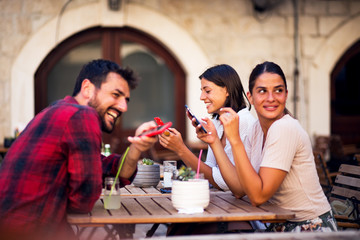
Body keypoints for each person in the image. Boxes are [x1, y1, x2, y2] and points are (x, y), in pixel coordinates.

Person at [0, 59, 158, 239]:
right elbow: (82, 202)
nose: (124, 107)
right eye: (116, 94)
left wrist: (136, 146)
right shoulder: (82, 115)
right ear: (87, 89)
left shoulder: (57, 110)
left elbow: (109, 170)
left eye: (126, 99)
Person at [198, 61, 338, 232]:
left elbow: (258, 197)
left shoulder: (284, 128)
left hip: (309, 228)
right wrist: (213, 142)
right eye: (262, 91)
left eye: (278, 91)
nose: (271, 98)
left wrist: (235, 140)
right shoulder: (257, 129)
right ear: (250, 97)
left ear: (286, 95)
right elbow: (238, 189)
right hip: (281, 226)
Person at [159, 64, 259, 234]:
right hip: (223, 206)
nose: (201, 97)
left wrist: (181, 149)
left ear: (226, 90)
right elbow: (208, 173)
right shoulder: (220, 123)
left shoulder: (244, 122)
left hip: (245, 214)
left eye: (207, 90)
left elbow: (226, 184)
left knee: (179, 231)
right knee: (175, 229)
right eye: (201, 90)